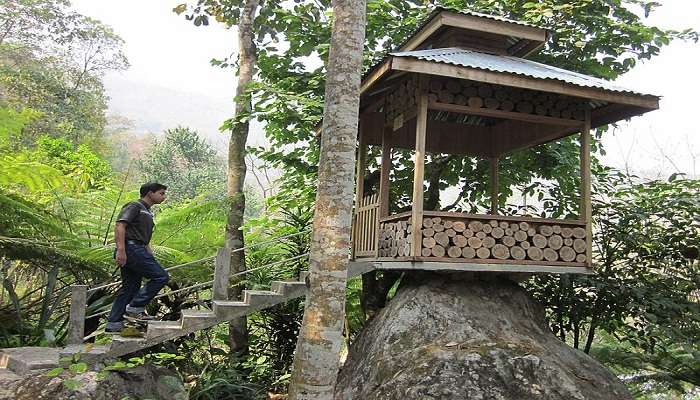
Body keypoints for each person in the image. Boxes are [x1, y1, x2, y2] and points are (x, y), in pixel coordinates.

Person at [105, 182, 169, 333]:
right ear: (149, 193)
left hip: (138, 249)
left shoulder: (147, 212)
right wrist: (121, 250)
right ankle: (135, 308)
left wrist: (149, 253)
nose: (164, 197)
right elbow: (120, 226)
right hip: (131, 248)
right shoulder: (135, 206)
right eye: (161, 193)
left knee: (130, 288)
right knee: (161, 277)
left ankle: (114, 323)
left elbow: (144, 238)